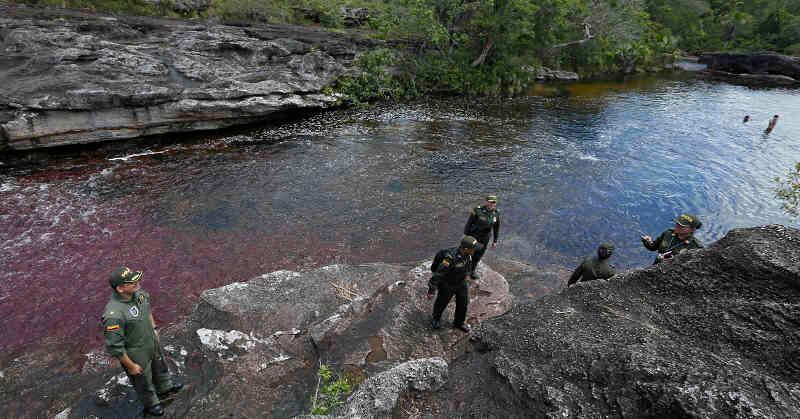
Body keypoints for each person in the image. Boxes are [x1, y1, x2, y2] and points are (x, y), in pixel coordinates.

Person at [102, 267, 182, 416]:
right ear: (120, 288)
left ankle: (165, 387)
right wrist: (131, 366)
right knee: (142, 378)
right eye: (131, 282)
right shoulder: (114, 314)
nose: (137, 282)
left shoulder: (139, 295)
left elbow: (147, 310)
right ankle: (151, 402)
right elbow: (115, 347)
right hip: (136, 350)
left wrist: (154, 328)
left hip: (150, 340)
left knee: (159, 365)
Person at [427, 236, 480, 333]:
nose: (475, 251)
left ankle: (459, 323)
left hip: (461, 283)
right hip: (448, 284)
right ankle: (436, 319)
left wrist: (467, 276)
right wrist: (431, 290)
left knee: (463, 304)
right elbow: (438, 274)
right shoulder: (450, 258)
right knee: (442, 302)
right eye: (473, 249)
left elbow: (467, 267)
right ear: (466, 249)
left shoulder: (468, 255)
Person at [463, 195, 500, 279]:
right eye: (490, 202)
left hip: (484, 238)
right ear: (486, 201)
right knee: (468, 253)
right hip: (473, 236)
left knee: (478, 255)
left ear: (495, 203)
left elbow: (496, 227)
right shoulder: (478, 210)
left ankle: (472, 271)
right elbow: (469, 223)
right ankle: (463, 270)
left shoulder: (496, 213)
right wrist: (465, 235)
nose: (491, 204)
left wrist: (495, 240)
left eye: (493, 202)